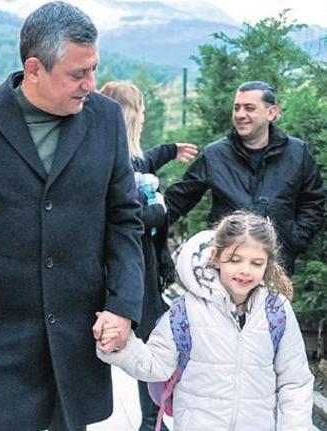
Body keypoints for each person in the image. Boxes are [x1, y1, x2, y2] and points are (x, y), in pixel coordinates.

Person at [0, 2, 145, 430]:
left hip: (79, 329)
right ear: (34, 68)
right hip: (2, 331)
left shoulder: (107, 119)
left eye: (93, 69)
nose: (90, 84)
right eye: (78, 74)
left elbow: (124, 220)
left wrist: (123, 305)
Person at [97, 211, 314, 430]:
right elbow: (156, 365)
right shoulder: (186, 311)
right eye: (235, 260)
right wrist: (123, 345)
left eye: (257, 263)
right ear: (216, 258)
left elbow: (295, 382)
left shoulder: (276, 312)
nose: (245, 270)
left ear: (267, 264)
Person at [99, 81, 198, 431]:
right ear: (130, 115)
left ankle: (151, 421)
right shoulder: (115, 161)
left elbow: (146, 159)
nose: (143, 118)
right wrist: (160, 209)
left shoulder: (116, 154)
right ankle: (150, 422)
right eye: (139, 112)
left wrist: (171, 150)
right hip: (130, 268)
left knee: (148, 344)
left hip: (137, 267)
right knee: (150, 345)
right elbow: (128, 217)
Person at [165, 80, 325, 275]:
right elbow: (178, 200)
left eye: (249, 108)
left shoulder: (298, 153)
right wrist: (143, 222)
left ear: (271, 113)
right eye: (237, 108)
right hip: (225, 268)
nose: (240, 115)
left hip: (276, 267)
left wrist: (294, 240)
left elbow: (313, 203)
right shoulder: (215, 155)